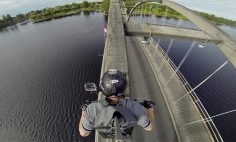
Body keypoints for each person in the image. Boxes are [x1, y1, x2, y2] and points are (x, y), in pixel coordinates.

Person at [79, 69, 155, 137]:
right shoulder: (134, 106)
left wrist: (84, 110)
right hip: (123, 133)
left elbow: (83, 133)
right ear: (124, 88)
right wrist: (150, 107)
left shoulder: (93, 108)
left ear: (103, 89)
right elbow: (149, 127)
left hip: (107, 134)